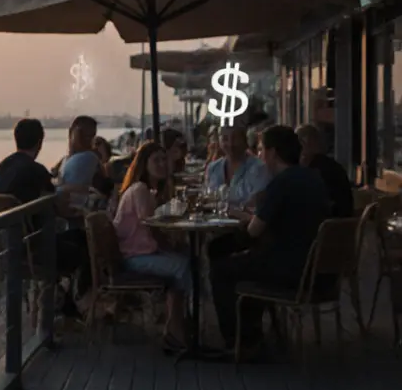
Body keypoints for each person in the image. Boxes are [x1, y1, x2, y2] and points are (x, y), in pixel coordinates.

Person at [209, 125, 330, 359]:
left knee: (222, 271)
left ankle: (239, 342)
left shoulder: (281, 184)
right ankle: (252, 332)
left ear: (273, 153)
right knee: (239, 260)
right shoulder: (313, 177)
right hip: (318, 269)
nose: (260, 155)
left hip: (291, 269)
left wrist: (244, 217)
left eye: (262, 149)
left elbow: (254, 231)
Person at [0, 118, 89, 319]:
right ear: (40, 142)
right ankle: (73, 304)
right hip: (37, 249)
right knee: (87, 246)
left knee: (77, 239)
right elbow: (59, 208)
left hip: (8, 249)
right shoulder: (36, 170)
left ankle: (64, 303)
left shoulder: (2, 167)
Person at [111, 141, 191, 352]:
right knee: (182, 266)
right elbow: (151, 224)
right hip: (132, 257)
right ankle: (174, 329)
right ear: (143, 164)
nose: (162, 164)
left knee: (186, 257)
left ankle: (177, 320)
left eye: (165, 159)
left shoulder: (149, 191)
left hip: (140, 252)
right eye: (156, 160)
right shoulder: (140, 190)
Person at [296, 123, 355, 218]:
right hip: (345, 228)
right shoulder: (334, 166)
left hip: (325, 227)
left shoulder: (314, 170)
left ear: (304, 144)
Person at [205, 124, 269, 208]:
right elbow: (206, 199)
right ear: (219, 141)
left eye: (235, 139)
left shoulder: (260, 168)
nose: (231, 144)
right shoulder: (213, 168)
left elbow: (256, 204)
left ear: (245, 141)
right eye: (225, 139)